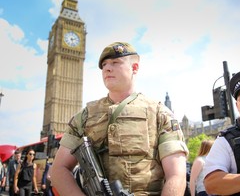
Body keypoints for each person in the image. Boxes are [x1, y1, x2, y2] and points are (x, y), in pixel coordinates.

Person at [50, 42, 189, 196]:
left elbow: (176, 175)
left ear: (134, 68)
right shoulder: (84, 116)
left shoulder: (159, 113)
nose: (107, 68)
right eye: (104, 65)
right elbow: (58, 169)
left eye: (116, 62)